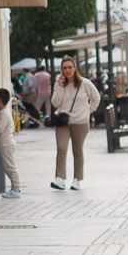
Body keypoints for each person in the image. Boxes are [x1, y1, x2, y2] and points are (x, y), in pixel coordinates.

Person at [47, 56, 102, 190]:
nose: (67, 70)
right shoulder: (59, 83)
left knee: (77, 151)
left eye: (70, 67)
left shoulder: (85, 83)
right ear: (62, 70)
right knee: (61, 148)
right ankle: (59, 179)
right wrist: (59, 87)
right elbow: (55, 103)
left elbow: (96, 98)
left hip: (80, 123)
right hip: (63, 121)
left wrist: (88, 111)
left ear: (75, 68)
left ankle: (77, 180)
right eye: (64, 68)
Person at [0, 86, 25, 199]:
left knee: (10, 167)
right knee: (8, 167)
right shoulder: (3, 111)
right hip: (5, 144)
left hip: (6, 144)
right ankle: (14, 188)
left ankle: (16, 189)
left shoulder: (4, 113)